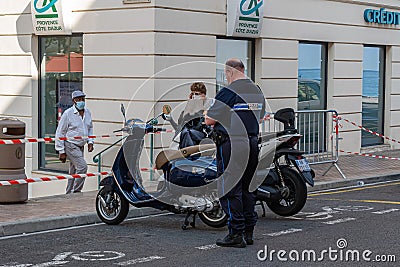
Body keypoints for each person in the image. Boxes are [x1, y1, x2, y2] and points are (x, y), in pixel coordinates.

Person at [205, 59, 265, 248]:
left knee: (231, 188)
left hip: (232, 143)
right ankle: (249, 231)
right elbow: (261, 116)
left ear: (229, 72)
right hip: (252, 143)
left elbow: (209, 120)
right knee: (248, 188)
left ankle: (235, 233)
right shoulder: (256, 90)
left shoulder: (229, 91)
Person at [55, 90, 94, 194]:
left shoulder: (87, 112)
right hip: (71, 145)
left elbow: (90, 128)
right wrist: (61, 151)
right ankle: (76, 191)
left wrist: (90, 141)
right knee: (82, 167)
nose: (81, 101)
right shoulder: (68, 114)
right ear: (74, 101)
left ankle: (69, 193)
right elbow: (60, 132)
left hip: (81, 146)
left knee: (73, 171)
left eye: (83, 99)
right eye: (79, 99)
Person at [168, 82, 212, 148]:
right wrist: (190, 105)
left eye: (197, 94)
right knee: (185, 132)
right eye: (192, 94)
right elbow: (179, 127)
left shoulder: (210, 106)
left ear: (203, 95)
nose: (194, 96)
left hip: (201, 139)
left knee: (187, 132)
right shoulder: (189, 109)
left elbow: (208, 127)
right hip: (187, 139)